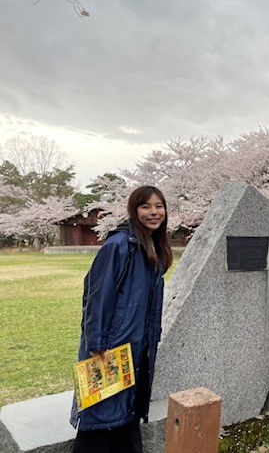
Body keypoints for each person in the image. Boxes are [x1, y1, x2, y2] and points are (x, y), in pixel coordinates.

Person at [70, 186, 173, 453]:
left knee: (127, 414)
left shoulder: (152, 245)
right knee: (100, 416)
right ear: (134, 210)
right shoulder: (119, 245)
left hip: (137, 345)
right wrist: (97, 342)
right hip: (111, 346)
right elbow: (98, 296)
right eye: (146, 206)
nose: (154, 212)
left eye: (159, 206)